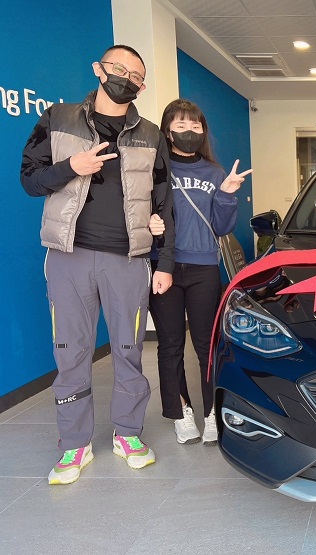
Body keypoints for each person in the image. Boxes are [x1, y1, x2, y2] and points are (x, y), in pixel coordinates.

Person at [20, 45, 175, 485]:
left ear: (141, 86)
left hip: (128, 259)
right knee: (70, 353)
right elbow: (30, 180)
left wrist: (164, 261)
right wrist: (72, 166)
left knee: (128, 350)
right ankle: (75, 444)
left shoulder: (151, 134)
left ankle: (128, 434)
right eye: (119, 68)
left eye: (136, 74)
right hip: (68, 256)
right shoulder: (58, 118)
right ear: (99, 69)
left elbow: (163, 200)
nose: (126, 77)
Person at [149, 99, 251, 446]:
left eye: (195, 126)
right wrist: (148, 223)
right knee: (170, 344)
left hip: (204, 267)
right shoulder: (156, 170)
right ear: (167, 131)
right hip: (163, 266)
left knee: (207, 344)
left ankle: (211, 412)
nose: (189, 132)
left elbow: (222, 227)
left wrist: (227, 194)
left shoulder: (214, 172)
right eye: (181, 125)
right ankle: (181, 412)